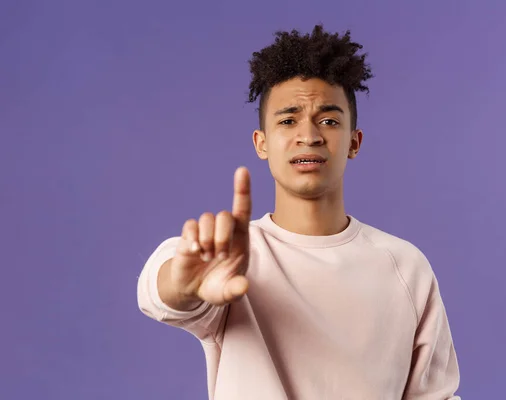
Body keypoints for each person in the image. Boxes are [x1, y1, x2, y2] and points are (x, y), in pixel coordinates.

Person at [137, 25, 461, 400]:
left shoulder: (406, 267)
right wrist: (182, 283)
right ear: (262, 143)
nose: (309, 135)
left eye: (329, 120)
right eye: (288, 120)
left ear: (354, 142)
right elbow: (160, 294)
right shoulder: (232, 259)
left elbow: (434, 396)